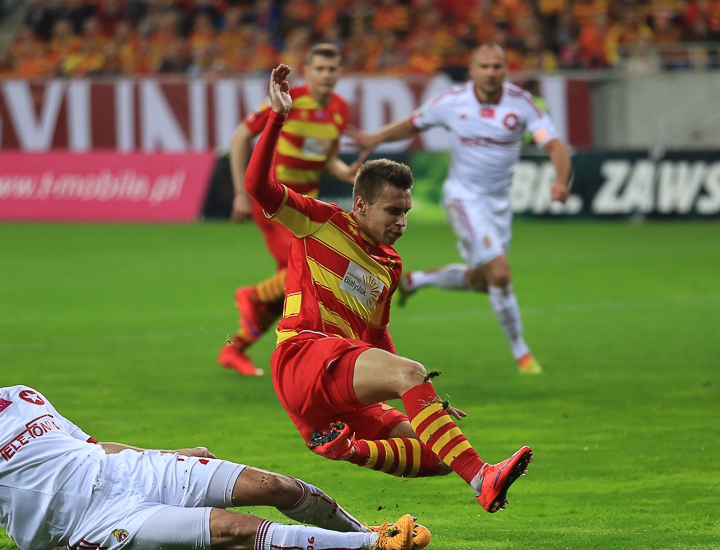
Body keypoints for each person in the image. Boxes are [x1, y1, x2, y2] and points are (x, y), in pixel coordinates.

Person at [0, 317, 428, 550]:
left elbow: (93, 447)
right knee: (235, 530)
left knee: (275, 486)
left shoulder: (24, 395)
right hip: (92, 521)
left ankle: (366, 529)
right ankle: (373, 548)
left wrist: (170, 453)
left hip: (127, 471)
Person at [246, 64, 533, 514]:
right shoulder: (321, 222)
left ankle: (347, 448)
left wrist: (420, 396)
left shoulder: (389, 264)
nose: (401, 222)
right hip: (304, 356)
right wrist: (277, 118)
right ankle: (484, 478)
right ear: (360, 205)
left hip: (337, 378)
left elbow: (376, 337)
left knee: (441, 454)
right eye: (392, 211)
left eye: (406, 213)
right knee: (411, 375)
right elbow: (257, 186)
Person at [351, 43, 573, 375]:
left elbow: (554, 145)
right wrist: (376, 138)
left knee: (484, 281)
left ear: (505, 70)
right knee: (500, 274)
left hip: (499, 205)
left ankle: (418, 280)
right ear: (472, 70)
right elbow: (413, 124)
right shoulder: (453, 101)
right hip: (464, 198)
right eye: (484, 66)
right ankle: (523, 354)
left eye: (497, 66)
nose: (491, 73)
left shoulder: (522, 104)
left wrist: (561, 180)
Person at [219, 43, 358, 377]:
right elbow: (239, 138)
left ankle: (235, 348)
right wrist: (240, 193)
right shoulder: (287, 98)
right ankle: (251, 296)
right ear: (307, 71)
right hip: (274, 201)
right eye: (320, 69)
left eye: (332, 69)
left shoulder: (340, 109)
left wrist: (346, 173)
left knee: (289, 286)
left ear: (339, 72)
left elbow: (326, 158)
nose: (326, 75)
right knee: (305, 270)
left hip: (306, 207)